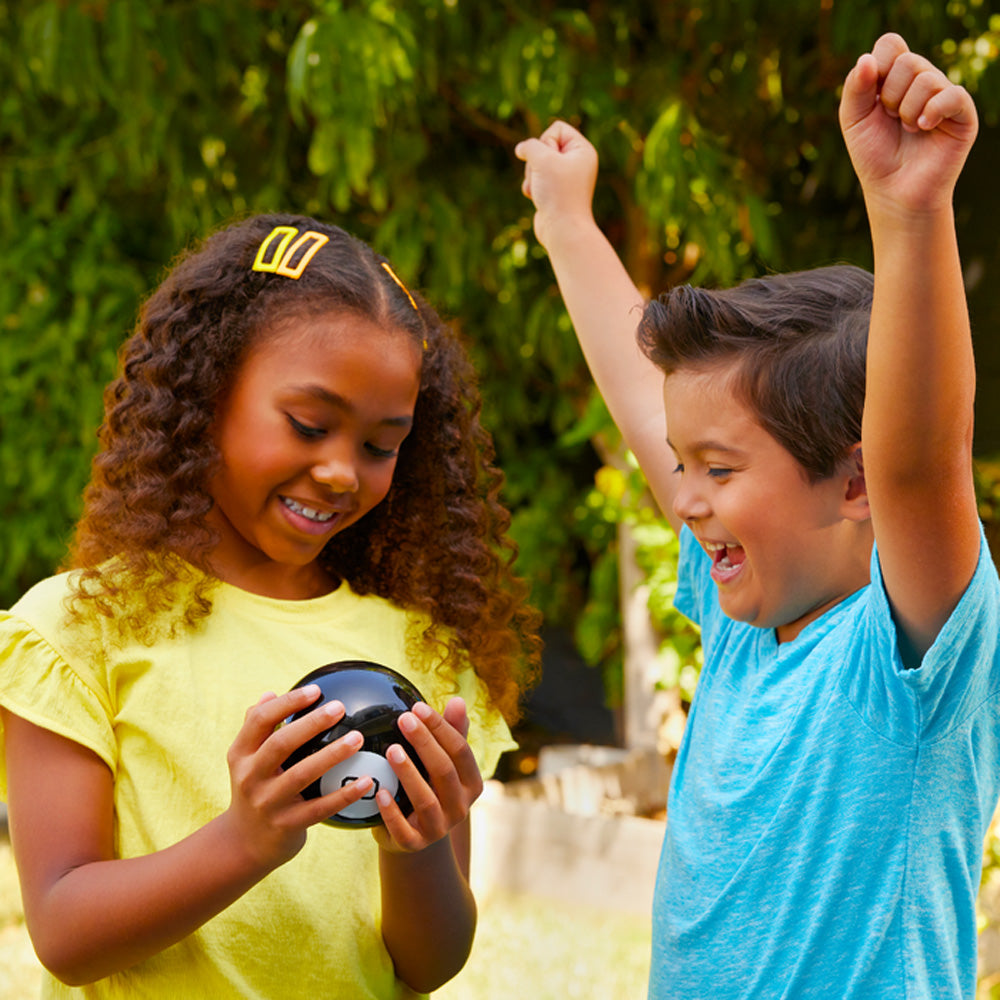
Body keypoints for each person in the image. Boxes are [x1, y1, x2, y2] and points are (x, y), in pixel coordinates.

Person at [516, 32, 999, 999]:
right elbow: (643, 404)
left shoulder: (904, 659)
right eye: (687, 466)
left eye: (720, 470)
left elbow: (921, 462)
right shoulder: (748, 621)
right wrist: (569, 224)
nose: (685, 499)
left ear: (854, 485)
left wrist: (910, 211)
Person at [0, 214, 539, 999]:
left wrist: (414, 846)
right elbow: (64, 932)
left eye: (381, 446)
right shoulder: (82, 629)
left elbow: (431, 963)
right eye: (310, 425)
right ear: (207, 393)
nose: (340, 473)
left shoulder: (423, 656)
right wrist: (244, 841)